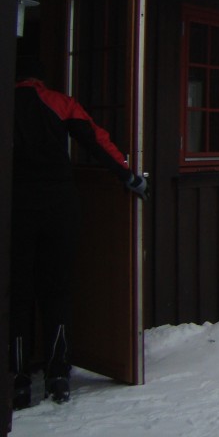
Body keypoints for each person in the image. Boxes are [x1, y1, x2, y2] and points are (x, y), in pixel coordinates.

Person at [10, 58, 148, 410]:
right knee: (57, 288)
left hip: (15, 206)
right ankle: (58, 375)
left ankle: (18, 379)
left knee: (17, 291)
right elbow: (95, 138)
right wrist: (128, 175)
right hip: (58, 205)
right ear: (37, 79)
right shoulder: (57, 101)